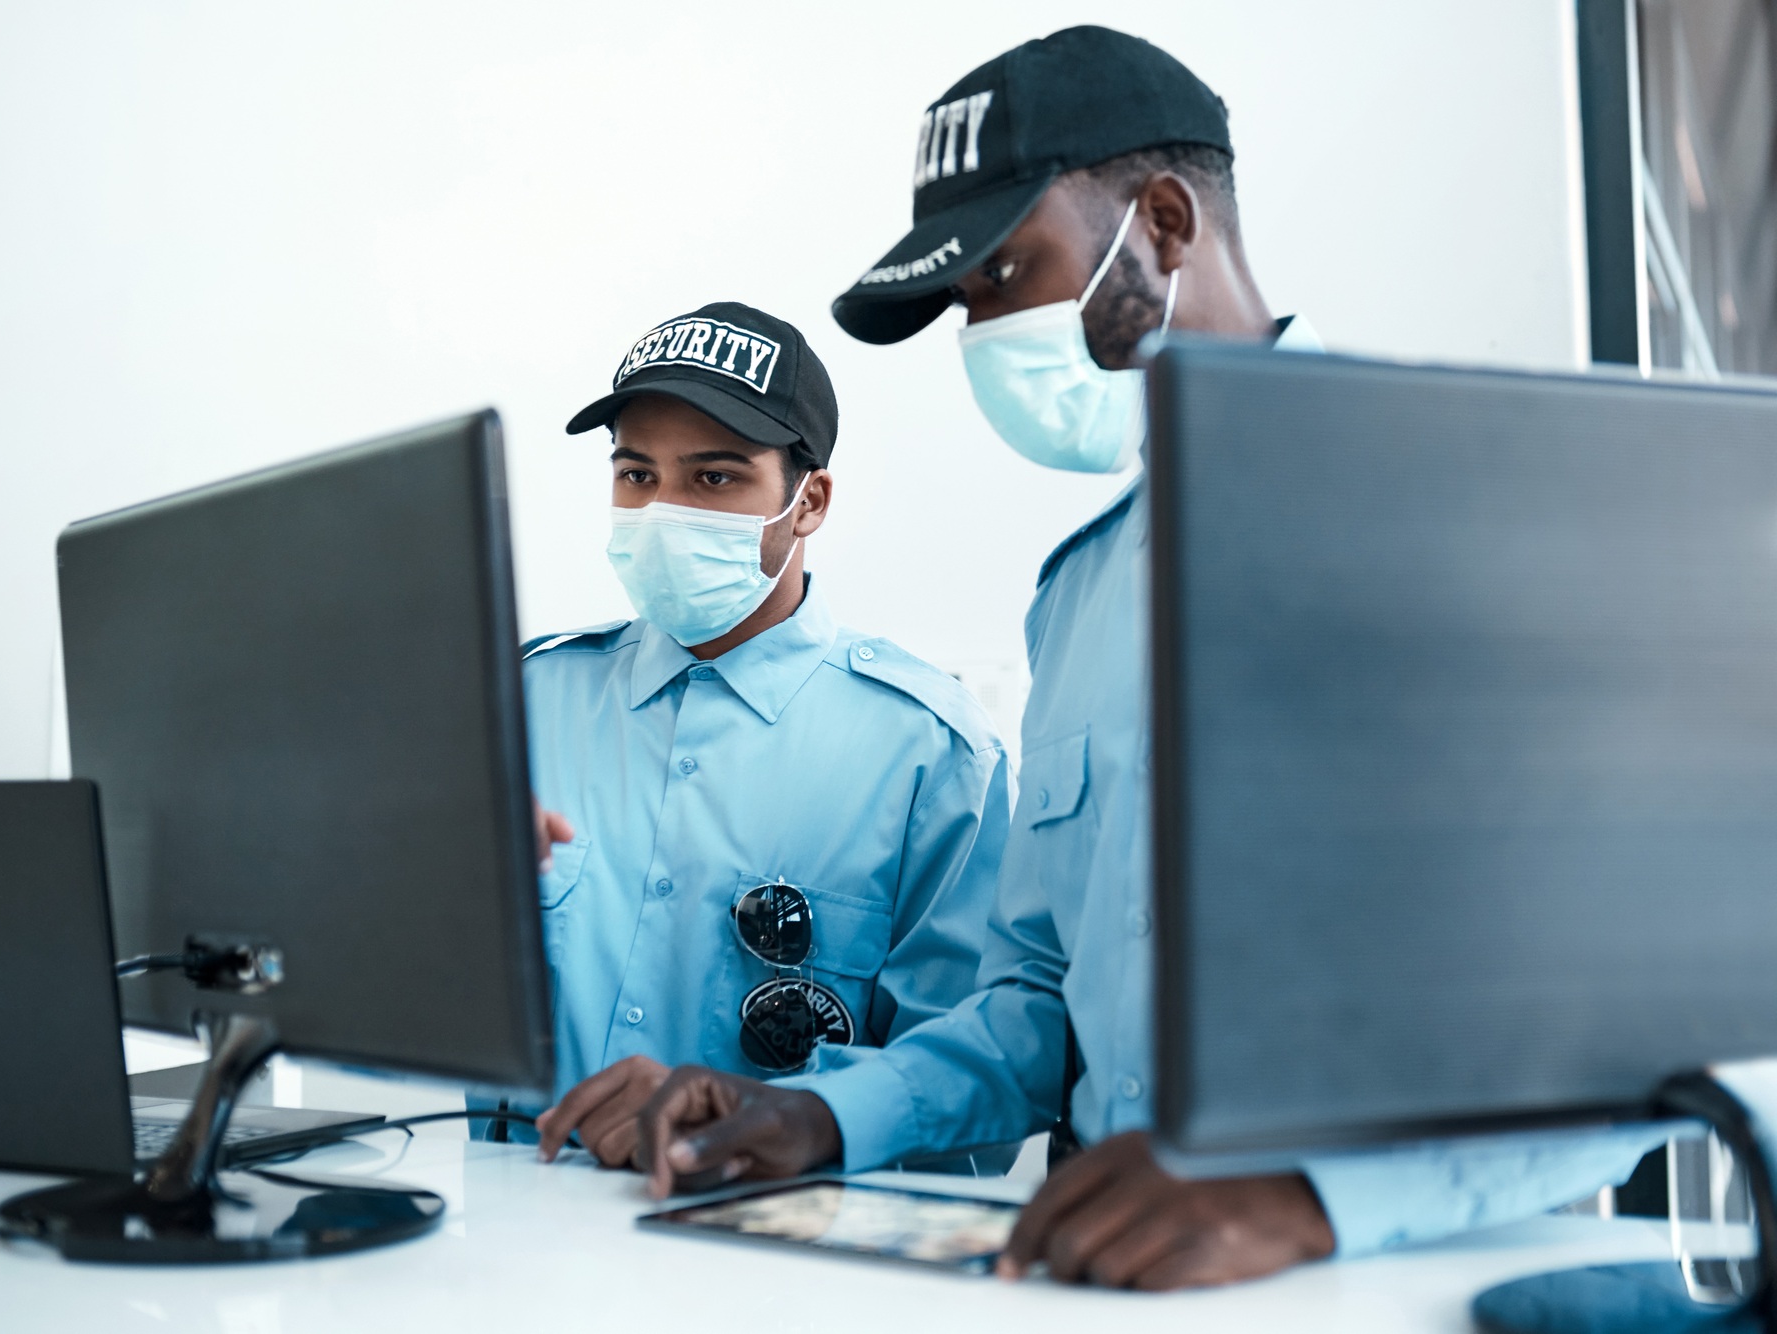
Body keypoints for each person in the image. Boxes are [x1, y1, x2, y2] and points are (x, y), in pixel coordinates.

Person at [624, 29, 1664, 1290]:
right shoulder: (1079, 598)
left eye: (1008, 271)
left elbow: (1689, 1013)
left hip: (1399, 1283)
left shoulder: (1483, 506)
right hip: (1120, 1283)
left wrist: (1309, 1197)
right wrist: (829, 1113)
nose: (982, 332)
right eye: (964, 304)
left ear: (1163, 221)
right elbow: (1034, 996)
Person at [519, 301, 1009, 1169]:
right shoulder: (523, 704)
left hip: (773, 1264)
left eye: (713, 479)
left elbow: (977, 1097)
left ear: (809, 500)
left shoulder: (930, 755)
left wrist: (784, 1124)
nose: (662, 511)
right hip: (500, 1252)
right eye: (636, 475)